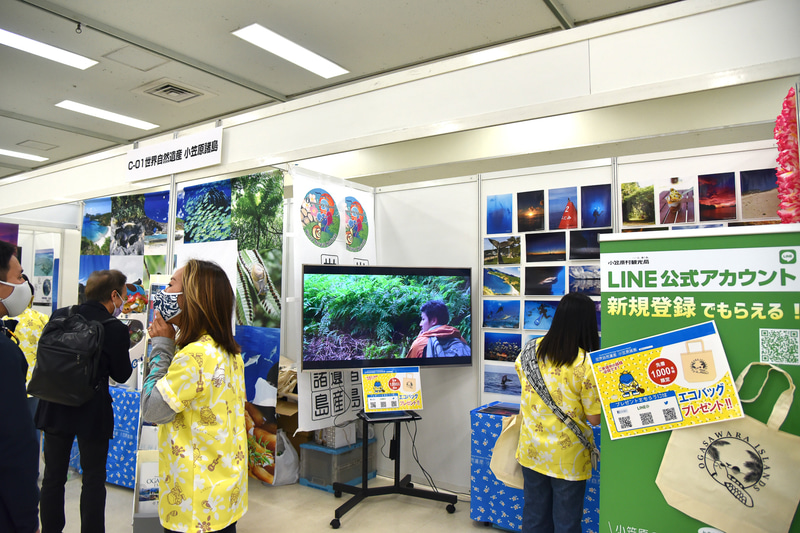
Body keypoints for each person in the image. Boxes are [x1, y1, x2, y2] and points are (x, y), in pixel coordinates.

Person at [141, 259, 248, 533]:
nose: (164, 291)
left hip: (194, 503)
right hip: (224, 495)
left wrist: (162, 347)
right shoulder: (230, 353)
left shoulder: (193, 357)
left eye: (171, 284)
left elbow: (153, 410)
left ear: (192, 298)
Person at [36, 269, 132, 533]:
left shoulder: (60, 315)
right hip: (92, 410)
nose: (124, 301)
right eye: (124, 295)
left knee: (53, 478)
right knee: (92, 479)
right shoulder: (114, 328)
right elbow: (122, 374)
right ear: (114, 295)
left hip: (53, 404)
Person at [514, 293, 601, 533]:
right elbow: (594, 419)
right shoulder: (585, 364)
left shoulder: (529, 351)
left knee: (534, 516)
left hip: (532, 449)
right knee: (566, 522)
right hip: (568, 457)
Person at [0, 240, 41, 533]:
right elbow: (15, 446)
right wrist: (27, 518)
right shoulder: (3, 352)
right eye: (18, 277)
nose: (23, 285)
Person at [3, 274, 50, 452]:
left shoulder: (5, 318)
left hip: (9, 383)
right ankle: (32, 472)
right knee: (32, 431)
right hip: (35, 384)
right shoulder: (42, 319)